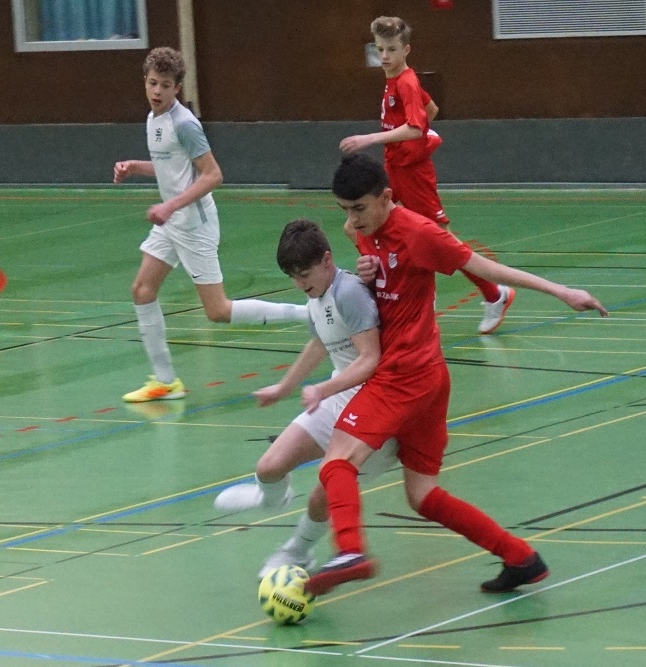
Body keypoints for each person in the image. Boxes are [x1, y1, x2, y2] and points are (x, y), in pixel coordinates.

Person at [304, 153, 608, 596]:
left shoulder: (420, 233)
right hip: (430, 376)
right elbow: (382, 275)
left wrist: (562, 291)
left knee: (338, 460)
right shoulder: (364, 230)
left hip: (403, 374)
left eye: (359, 209)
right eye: (344, 210)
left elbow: (486, 269)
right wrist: (367, 273)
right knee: (422, 495)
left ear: (386, 197)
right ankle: (521, 558)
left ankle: (350, 551)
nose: (350, 221)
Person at [112, 47, 308, 403]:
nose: (157, 91)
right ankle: (165, 381)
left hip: (193, 225)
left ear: (177, 88)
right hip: (172, 222)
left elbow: (213, 174)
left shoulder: (185, 124)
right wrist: (135, 167)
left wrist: (170, 205)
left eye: (165, 85)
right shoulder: (153, 118)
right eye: (153, 83)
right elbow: (173, 168)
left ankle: (308, 314)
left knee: (218, 311)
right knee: (142, 290)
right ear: (145, 81)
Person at [212, 219, 399, 579]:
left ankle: (297, 552)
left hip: (374, 411)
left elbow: (370, 359)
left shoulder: (349, 293)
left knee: (321, 496)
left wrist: (322, 390)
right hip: (337, 398)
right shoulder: (317, 296)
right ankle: (271, 499)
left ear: (327, 260)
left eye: (304, 274)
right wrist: (284, 387)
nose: (300, 283)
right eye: (293, 277)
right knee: (269, 467)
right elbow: (320, 343)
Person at [340, 16, 514, 335]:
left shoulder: (406, 82)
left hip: (414, 175)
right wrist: (413, 142)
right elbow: (430, 110)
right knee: (355, 226)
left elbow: (417, 127)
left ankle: (494, 294)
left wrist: (371, 139)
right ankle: (387, 286)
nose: (385, 55)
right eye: (380, 49)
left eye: (392, 49)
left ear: (406, 50)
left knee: (442, 243)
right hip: (394, 168)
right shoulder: (395, 79)